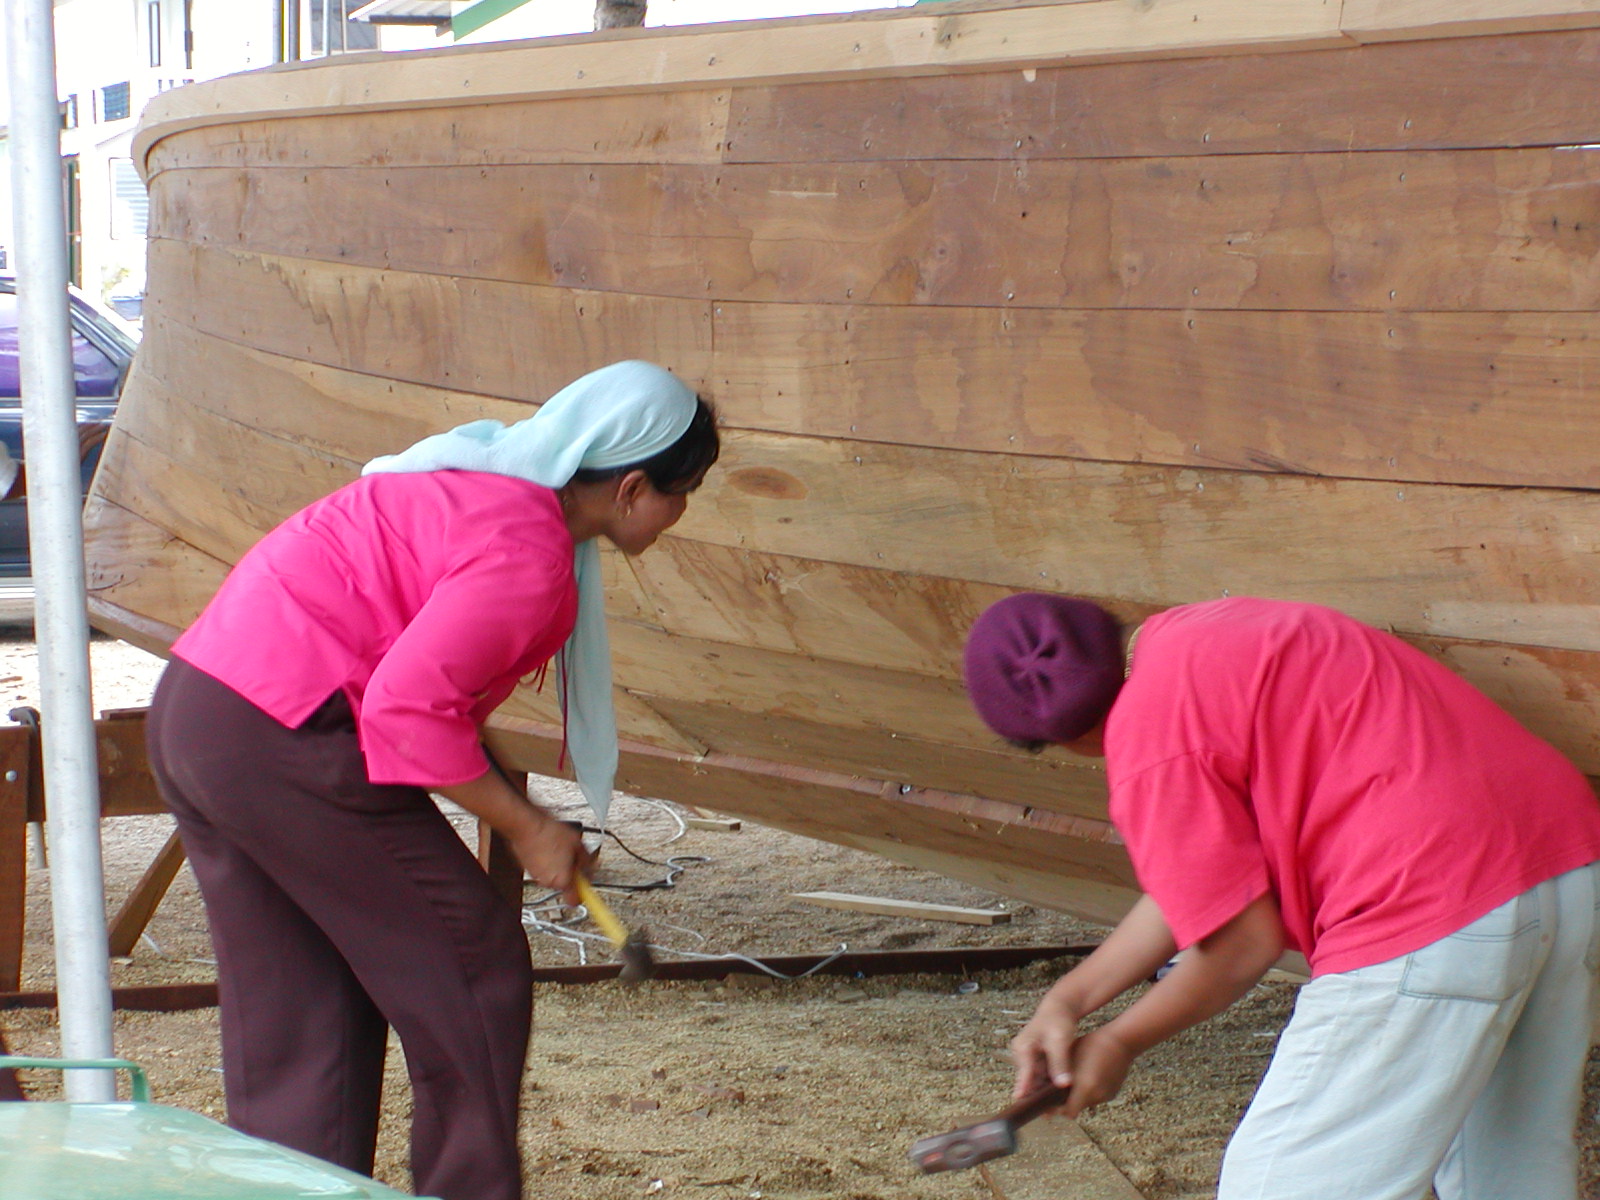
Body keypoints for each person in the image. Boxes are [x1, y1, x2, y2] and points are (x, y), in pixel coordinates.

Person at [146, 360, 719, 1200]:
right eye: (683, 493)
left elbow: (430, 689)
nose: (681, 515)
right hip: (288, 730)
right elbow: (407, 712)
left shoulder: (480, 488)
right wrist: (525, 826)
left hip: (201, 712)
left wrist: (524, 813)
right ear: (631, 489)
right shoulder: (529, 552)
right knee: (473, 959)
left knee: (307, 1006)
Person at [962, 593, 1600, 1200]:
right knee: (1508, 1166)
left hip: (1428, 897)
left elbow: (1243, 944)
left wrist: (1120, 1041)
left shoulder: (1148, 741)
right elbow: (1203, 887)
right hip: (1562, 860)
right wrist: (1068, 1001)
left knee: (1285, 1181)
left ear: (1061, 741)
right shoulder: (1220, 629)